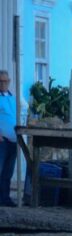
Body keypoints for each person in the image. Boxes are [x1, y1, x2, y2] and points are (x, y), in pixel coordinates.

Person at [0, 70, 17, 207]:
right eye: (1, 81)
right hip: (2, 140)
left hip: (14, 140)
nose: (3, 83)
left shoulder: (12, 98)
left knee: (8, 171)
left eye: (6, 81)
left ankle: (5, 198)